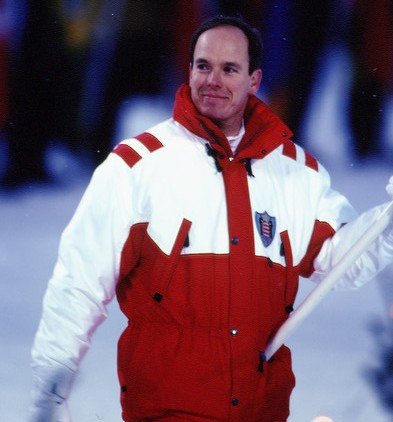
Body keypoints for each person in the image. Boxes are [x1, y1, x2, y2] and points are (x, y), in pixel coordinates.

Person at [29, 15, 393, 422]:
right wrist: (51, 395)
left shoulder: (295, 172)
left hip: (262, 409)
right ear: (189, 70)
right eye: (203, 66)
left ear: (254, 80)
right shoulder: (137, 167)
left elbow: (345, 261)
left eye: (229, 69)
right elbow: (77, 285)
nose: (213, 80)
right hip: (167, 411)